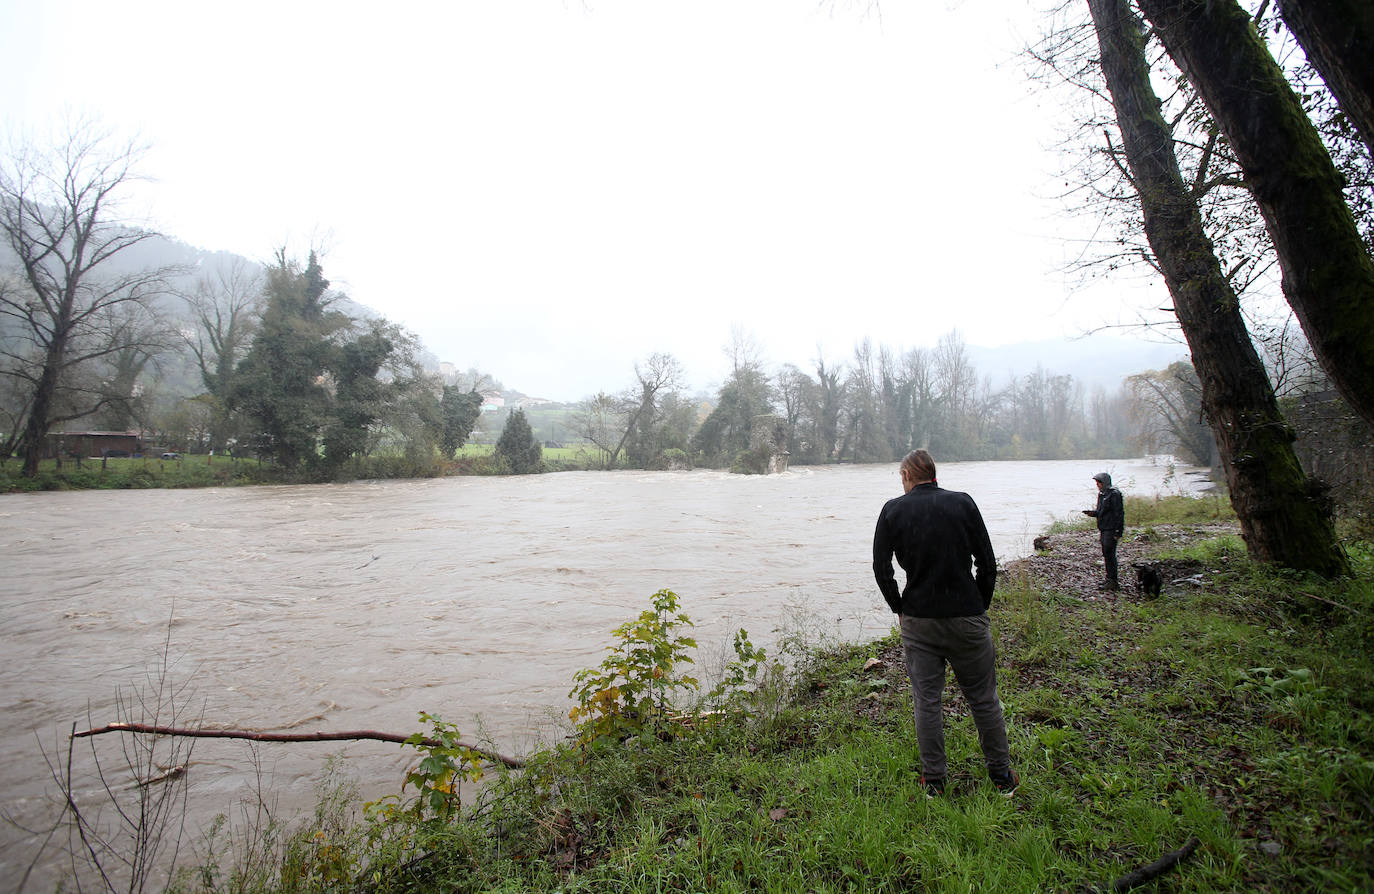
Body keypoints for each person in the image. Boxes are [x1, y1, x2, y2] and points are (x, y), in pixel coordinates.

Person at [872, 449, 1018, 799]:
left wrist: (899, 607)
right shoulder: (963, 503)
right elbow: (987, 562)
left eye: (900, 476)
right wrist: (978, 604)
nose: (901, 482)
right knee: (983, 699)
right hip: (966, 615)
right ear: (933, 474)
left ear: (908, 475)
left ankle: (934, 781)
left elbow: (882, 568)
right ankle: (1001, 777)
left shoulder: (893, 510)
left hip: (920, 619)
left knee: (927, 701)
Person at [1083, 471, 1125, 591]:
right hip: (1104, 528)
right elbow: (1101, 512)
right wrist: (1092, 513)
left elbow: (1119, 513)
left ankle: (1113, 582)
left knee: (1110, 554)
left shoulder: (1114, 494)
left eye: (1099, 482)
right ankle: (1109, 579)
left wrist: (1118, 531)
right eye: (1096, 483)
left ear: (1104, 482)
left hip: (1111, 529)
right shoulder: (1102, 494)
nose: (1097, 485)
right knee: (1106, 554)